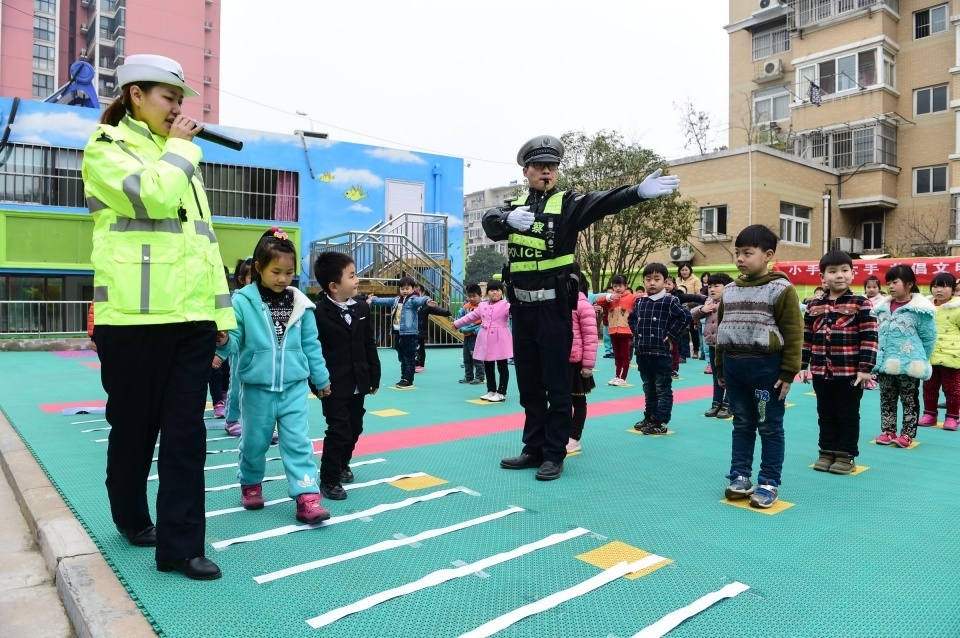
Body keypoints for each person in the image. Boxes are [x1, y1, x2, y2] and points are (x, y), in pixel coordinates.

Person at [82, 54, 235, 580]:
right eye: (169, 98)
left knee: (187, 434)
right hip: (133, 319)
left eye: (180, 100)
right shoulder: (106, 149)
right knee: (133, 429)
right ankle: (130, 517)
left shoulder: (179, 157)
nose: (177, 109)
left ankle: (180, 546)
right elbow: (150, 198)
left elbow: (200, 245)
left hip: (190, 321)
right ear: (135, 96)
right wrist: (181, 148)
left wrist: (220, 316)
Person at [481, 135, 680, 481]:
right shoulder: (512, 207)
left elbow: (604, 201)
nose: (547, 171)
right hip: (523, 313)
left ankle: (554, 453)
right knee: (528, 384)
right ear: (525, 170)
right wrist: (505, 219)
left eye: (552, 166)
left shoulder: (567, 203)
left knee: (557, 385)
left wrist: (637, 192)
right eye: (540, 166)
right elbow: (489, 220)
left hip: (555, 310)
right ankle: (533, 448)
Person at [216, 228, 332, 524]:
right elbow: (237, 338)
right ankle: (251, 482)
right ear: (258, 268)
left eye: (289, 272)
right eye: (276, 271)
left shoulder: (302, 304)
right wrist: (223, 344)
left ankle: (307, 495)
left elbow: (311, 345)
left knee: (297, 441)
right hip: (257, 389)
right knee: (255, 441)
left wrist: (320, 379)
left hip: (293, 387)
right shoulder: (242, 301)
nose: (283, 279)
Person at [715, 225, 802, 509]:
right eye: (737, 253)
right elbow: (721, 330)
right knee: (741, 422)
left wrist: (788, 372)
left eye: (747, 253)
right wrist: (719, 368)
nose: (740, 258)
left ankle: (768, 481)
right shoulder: (728, 290)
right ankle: (740, 475)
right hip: (734, 369)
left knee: (768, 425)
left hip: (767, 372)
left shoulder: (781, 289)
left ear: (768, 255)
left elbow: (793, 332)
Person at [799, 251, 878, 475]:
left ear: (853, 274)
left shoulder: (861, 303)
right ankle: (826, 452)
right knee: (825, 413)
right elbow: (807, 339)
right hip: (821, 372)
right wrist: (803, 366)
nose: (839, 275)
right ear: (823, 277)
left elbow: (870, 337)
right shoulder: (813, 305)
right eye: (832, 271)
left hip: (850, 373)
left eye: (844, 270)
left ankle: (845, 455)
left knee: (848, 414)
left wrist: (865, 369)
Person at [312, 251, 382, 500]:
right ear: (333, 286)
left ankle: (343, 463)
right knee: (338, 429)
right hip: (332, 384)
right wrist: (317, 383)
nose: (357, 280)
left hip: (358, 380)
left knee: (355, 426)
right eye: (352, 276)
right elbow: (313, 350)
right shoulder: (318, 313)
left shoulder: (362, 307)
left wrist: (374, 375)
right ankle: (329, 479)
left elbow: (368, 344)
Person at [871, 265, 937, 448]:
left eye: (895, 282)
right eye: (888, 283)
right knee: (886, 399)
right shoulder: (881, 308)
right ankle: (888, 431)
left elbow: (929, 337)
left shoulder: (920, 310)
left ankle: (907, 433)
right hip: (884, 363)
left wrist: (922, 358)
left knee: (909, 399)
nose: (891, 286)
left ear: (909, 284)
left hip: (909, 364)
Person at [629, 263, 692, 434]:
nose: (652, 283)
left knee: (662, 388)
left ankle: (661, 421)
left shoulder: (670, 300)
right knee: (648, 387)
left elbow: (685, 316)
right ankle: (649, 416)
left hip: (661, 353)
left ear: (665, 282)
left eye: (657, 279)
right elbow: (632, 318)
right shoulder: (640, 301)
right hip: (643, 352)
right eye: (648, 279)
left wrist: (671, 335)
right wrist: (637, 333)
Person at [369, 277, 436, 387]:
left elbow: (421, 300)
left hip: (409, 334)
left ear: (413, 289)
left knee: (409, 358)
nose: (404, 291)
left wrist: (427, 301)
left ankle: (408, 379)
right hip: (398, 333)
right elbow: (386, 301)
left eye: (407, 288)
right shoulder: (397, 300)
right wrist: (373, 300)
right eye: (402, 288)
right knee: (402, 356)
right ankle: (403, 377)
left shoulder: (413, 299)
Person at [453, 280, 513, 402]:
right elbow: (471, 316)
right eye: (491, 290)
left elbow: (513, 314)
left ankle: (501, 392)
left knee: (502, 366)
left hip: (500, 338)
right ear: (487, 292)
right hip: (485, 338)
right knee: (488, 366)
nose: (494, 292)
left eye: (497, 290)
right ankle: (491, 390)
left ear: (502, 292)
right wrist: (457, 323)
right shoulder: (483, 305)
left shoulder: (506, 305)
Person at [918, 272, 960, 430]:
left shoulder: (958, 308)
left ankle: (952, 417)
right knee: (929, 388)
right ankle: (930, 414)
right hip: (929, 356)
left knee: (952, 390)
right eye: (935, 286)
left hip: (952, 356)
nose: (939, 290)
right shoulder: (925, 308)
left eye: (944, 286)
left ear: (953, 289)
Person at [692, 272, 733, 419]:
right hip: (712, 344)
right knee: (716, 375)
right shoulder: (709, 303)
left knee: (729, 375)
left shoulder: (730, 303)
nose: (712, 289)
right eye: (710, 287)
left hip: (728, 346)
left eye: (717, 286)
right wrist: (702, 309)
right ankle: (716, 403)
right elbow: (691, 315)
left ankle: (729, 403)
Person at [567, 264, 598, 453]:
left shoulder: (582, 304)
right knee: (560, 400)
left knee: (578, 401)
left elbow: (590, 336)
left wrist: (587, 364)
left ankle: (574, 437)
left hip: (577, 362)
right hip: (560, 360)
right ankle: (562, 432)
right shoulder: (559, 302)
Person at [224, 257, 253, 437]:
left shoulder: (266, 301)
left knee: (258, 392)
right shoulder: (237, 301)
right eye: (252, 277)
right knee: (236, 388)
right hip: (238, 352)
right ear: (242, 280)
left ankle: (258, 424)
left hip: (258, 353)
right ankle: (232, 419)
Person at [595, 274, 639, 386]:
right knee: (617, 356)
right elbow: (598, 301)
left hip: (626, 332)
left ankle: (623, 378)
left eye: (620, 285)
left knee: (625, 356)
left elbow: (641, 296)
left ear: (626, 286)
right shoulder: (610, 299)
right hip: (613, 331)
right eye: (615, 286)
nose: (617, 288)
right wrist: (609, 297)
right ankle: (617, 376)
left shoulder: (630, 297)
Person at [414, 284, 453, 373]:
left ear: (422, 293)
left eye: (418, 291)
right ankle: (413, 364)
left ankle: (420, 364)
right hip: (410, 330)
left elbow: (436, 309)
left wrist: (446, 312)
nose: (415, 293)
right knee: (411, 348)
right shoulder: (410, 303)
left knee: (420, 348)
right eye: (414, 292)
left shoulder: (425, 306)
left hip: (420, 331)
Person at [457, 284, 486, 385]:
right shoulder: (465, 308)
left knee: (477, 357)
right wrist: (461, 329)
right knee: (467, 358)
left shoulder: (483, 307)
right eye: (469, 296)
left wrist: (475, 331)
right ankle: (468, 376)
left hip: (476, 336)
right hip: (467, 336)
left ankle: (479, 377)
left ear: (480, 296)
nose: (472, 298)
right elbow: (459, 319)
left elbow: (485, 323)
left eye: (474, 296)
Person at [678, 262, 702, 359]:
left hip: (692, 306)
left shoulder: (695, 279)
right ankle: (685, 351)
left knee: (693, 330)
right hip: (680, 307)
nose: (684, 272)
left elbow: (698, 294)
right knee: (683, 331)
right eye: (682, 270)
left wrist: (691, 304)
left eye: (686, 270)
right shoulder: (677, 280)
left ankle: (696, 350)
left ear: (690, 270)